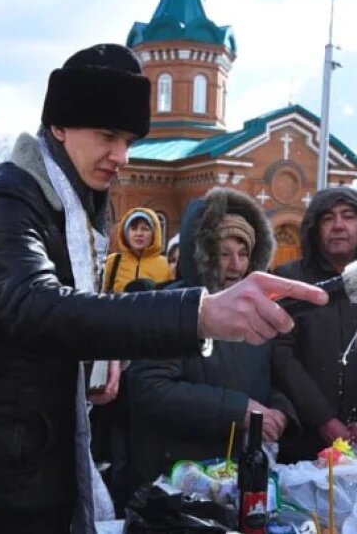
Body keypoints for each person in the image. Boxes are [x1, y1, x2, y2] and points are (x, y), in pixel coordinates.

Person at [0, 44, 324, 534]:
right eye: (108, 136)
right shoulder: (10, 195)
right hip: (2, 461)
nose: (121, 156)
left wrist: (102, 351)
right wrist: (198, 313)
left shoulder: (74, 202)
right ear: (59, 126)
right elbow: (33, 306)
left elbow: (70, 313)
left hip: (35, 446)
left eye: (129, 140)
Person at [128, 188, 299, 488]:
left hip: (237, 471)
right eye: (223, 253)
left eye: (244, 253)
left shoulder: (257, 310)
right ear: (202, 254)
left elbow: (269, 378)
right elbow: (149, 388)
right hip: (179, 473)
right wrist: (238, 410)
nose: (236, 265)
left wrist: (281, 413)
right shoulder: (174, 305)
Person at [272, 187, 357, 462]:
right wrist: (323, 418)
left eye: (348, 216)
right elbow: (280, 354)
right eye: (328, 218)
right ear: (314, 227)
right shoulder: (290, 281)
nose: (339, 226)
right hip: (301, 441)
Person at [102, 207, 171, 293]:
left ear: (154, 234)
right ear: (126, 233)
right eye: (134, 229)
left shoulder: (166, 265)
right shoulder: (113, 262)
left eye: (145, 229)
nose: (139, 234)